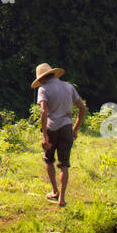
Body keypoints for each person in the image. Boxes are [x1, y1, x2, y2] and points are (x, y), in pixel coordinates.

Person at [31, 63, 85, 206]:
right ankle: (62, 199)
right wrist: (75, 129)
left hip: (51, 128)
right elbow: (82, 108)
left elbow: (44, 112)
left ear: (42, 79)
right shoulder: (69, 87)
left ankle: (55, 191)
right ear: (53, 74)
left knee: (49, 160)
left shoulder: (43, 89)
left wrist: (44, 136)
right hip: (67, 127)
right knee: (64, 164)